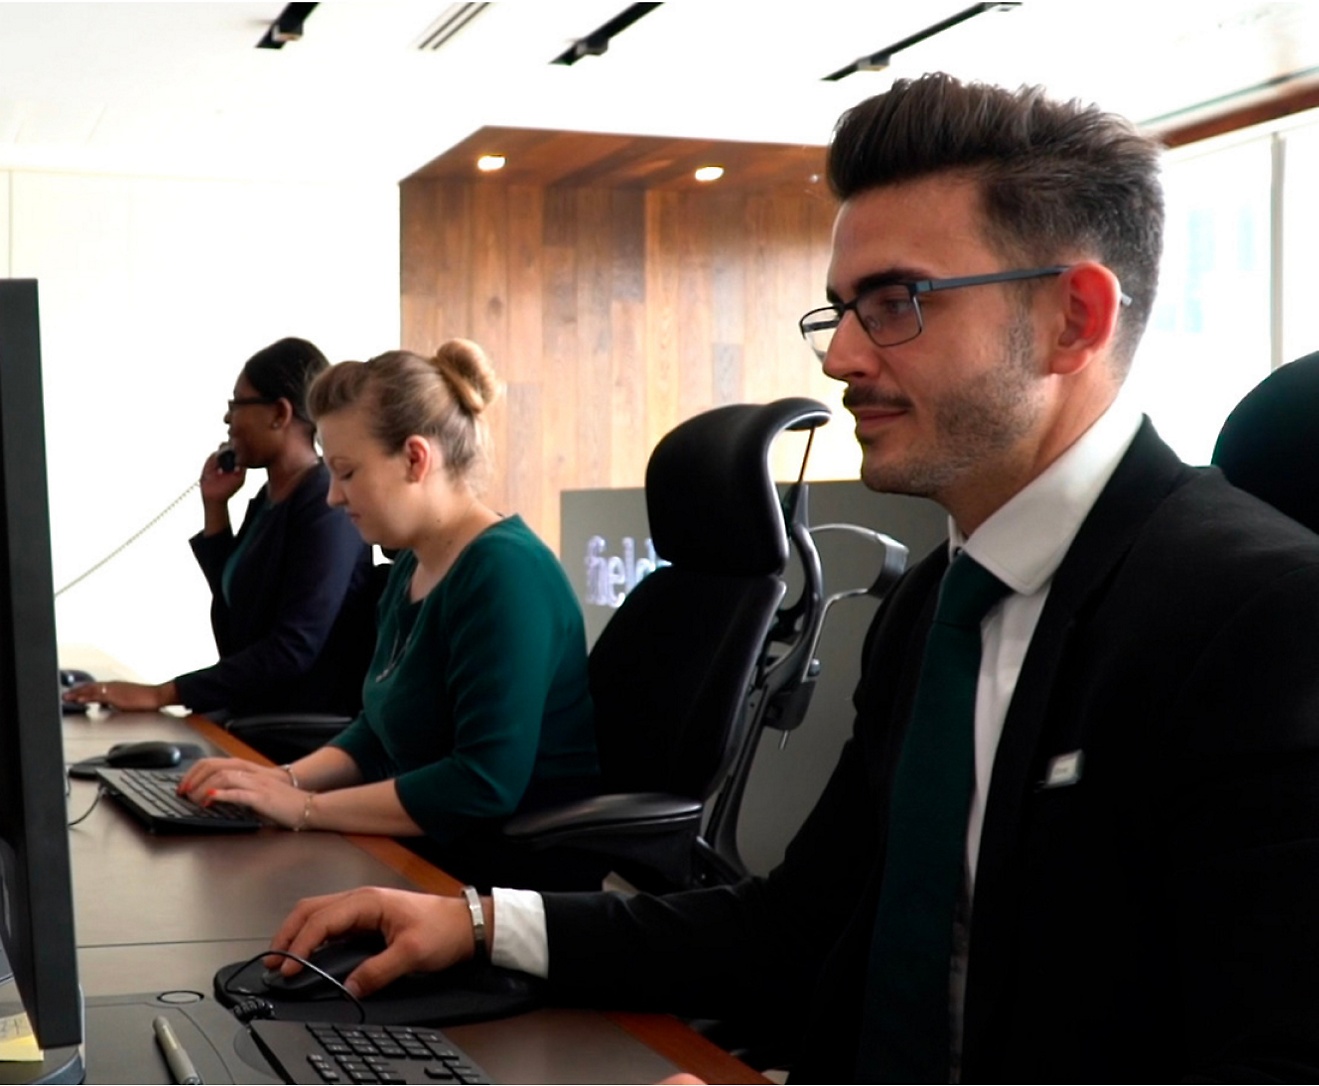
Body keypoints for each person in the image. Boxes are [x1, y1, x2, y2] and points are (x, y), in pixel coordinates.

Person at [264, 74, 1319, 1081]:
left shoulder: (1259, 615)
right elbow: (796, 922)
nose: (839, 358)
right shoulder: (931, 612)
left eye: (897, 302)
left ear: (1072, 320)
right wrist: (482, 921)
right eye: (840, 309)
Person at [177, 340, 599, 883]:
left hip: (501, 880)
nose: (332, 497)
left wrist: (307, 811)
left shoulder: (504, 573)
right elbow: (379, 733)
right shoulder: (412, 565)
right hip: (429, 850)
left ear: (415, 459)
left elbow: (482, 783)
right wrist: (285, 780)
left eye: (346, 473)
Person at [66, 336, 375, 717]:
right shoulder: (270, 498)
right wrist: (216, 508)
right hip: (254, 712)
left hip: (294, 730)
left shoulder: (324, 504)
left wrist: (163, 693)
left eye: (237, 404)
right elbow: (239, 616)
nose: (228, 419)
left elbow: (293, 647)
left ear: (279, 413)